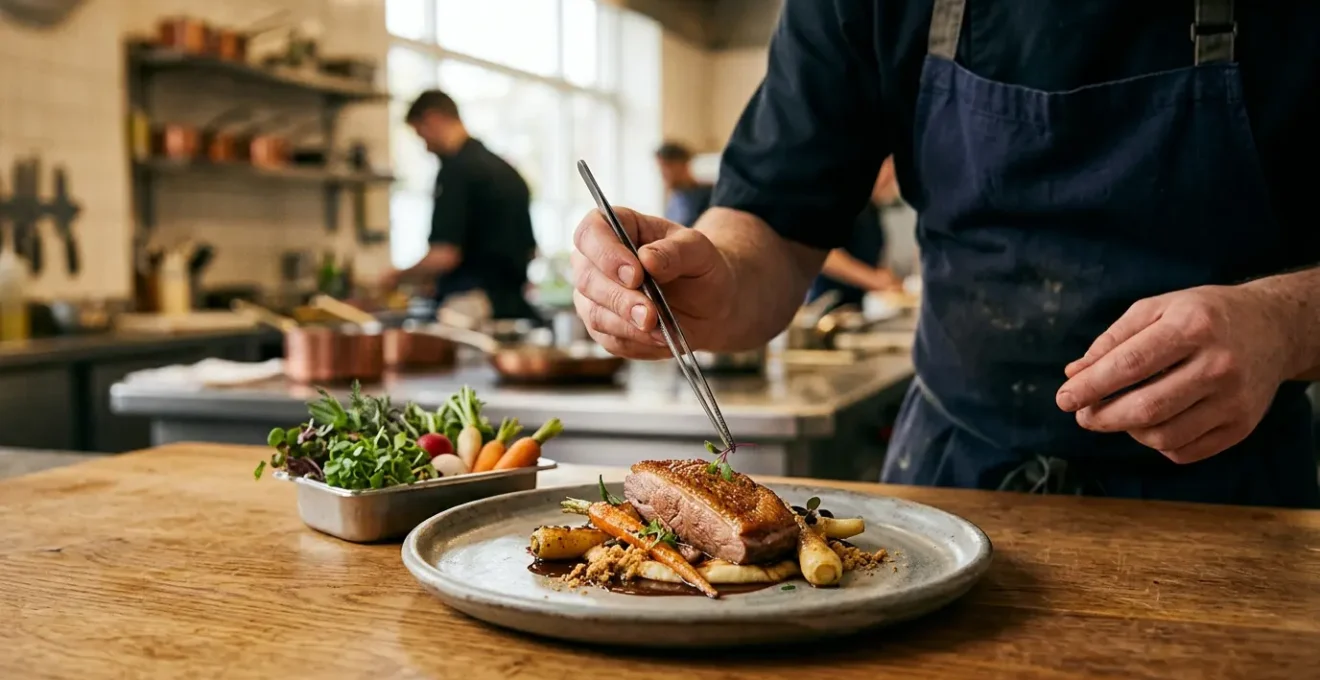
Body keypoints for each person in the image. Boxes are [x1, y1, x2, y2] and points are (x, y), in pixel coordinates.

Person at [570, 0, 1320, 508]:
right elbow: (771, 222)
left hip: (1230, 497)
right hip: (955, 480)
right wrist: (713, 280)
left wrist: (1284, 322)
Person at [380, 90, 539, 321]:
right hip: (514, 308)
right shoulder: (508, 172)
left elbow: (445, 254)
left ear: (433, 119)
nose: (426, 147)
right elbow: (531, 251)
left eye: (422, 135)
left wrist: (397, 276)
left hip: (471, 308)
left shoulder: (455, 172)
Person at [807, 156, 904, 312]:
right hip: (828, 308)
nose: (890, 177)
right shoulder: (841, 200)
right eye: (885, 167)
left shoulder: (873, 210)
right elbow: (823, 255)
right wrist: (872, 279)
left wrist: (885, 277)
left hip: (858, 308)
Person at [655, 142, 714, 227]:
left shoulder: (710, 196)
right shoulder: (675, 199)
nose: (662, 174)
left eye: (666, 167)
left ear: (684, 164)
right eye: (660, 168)